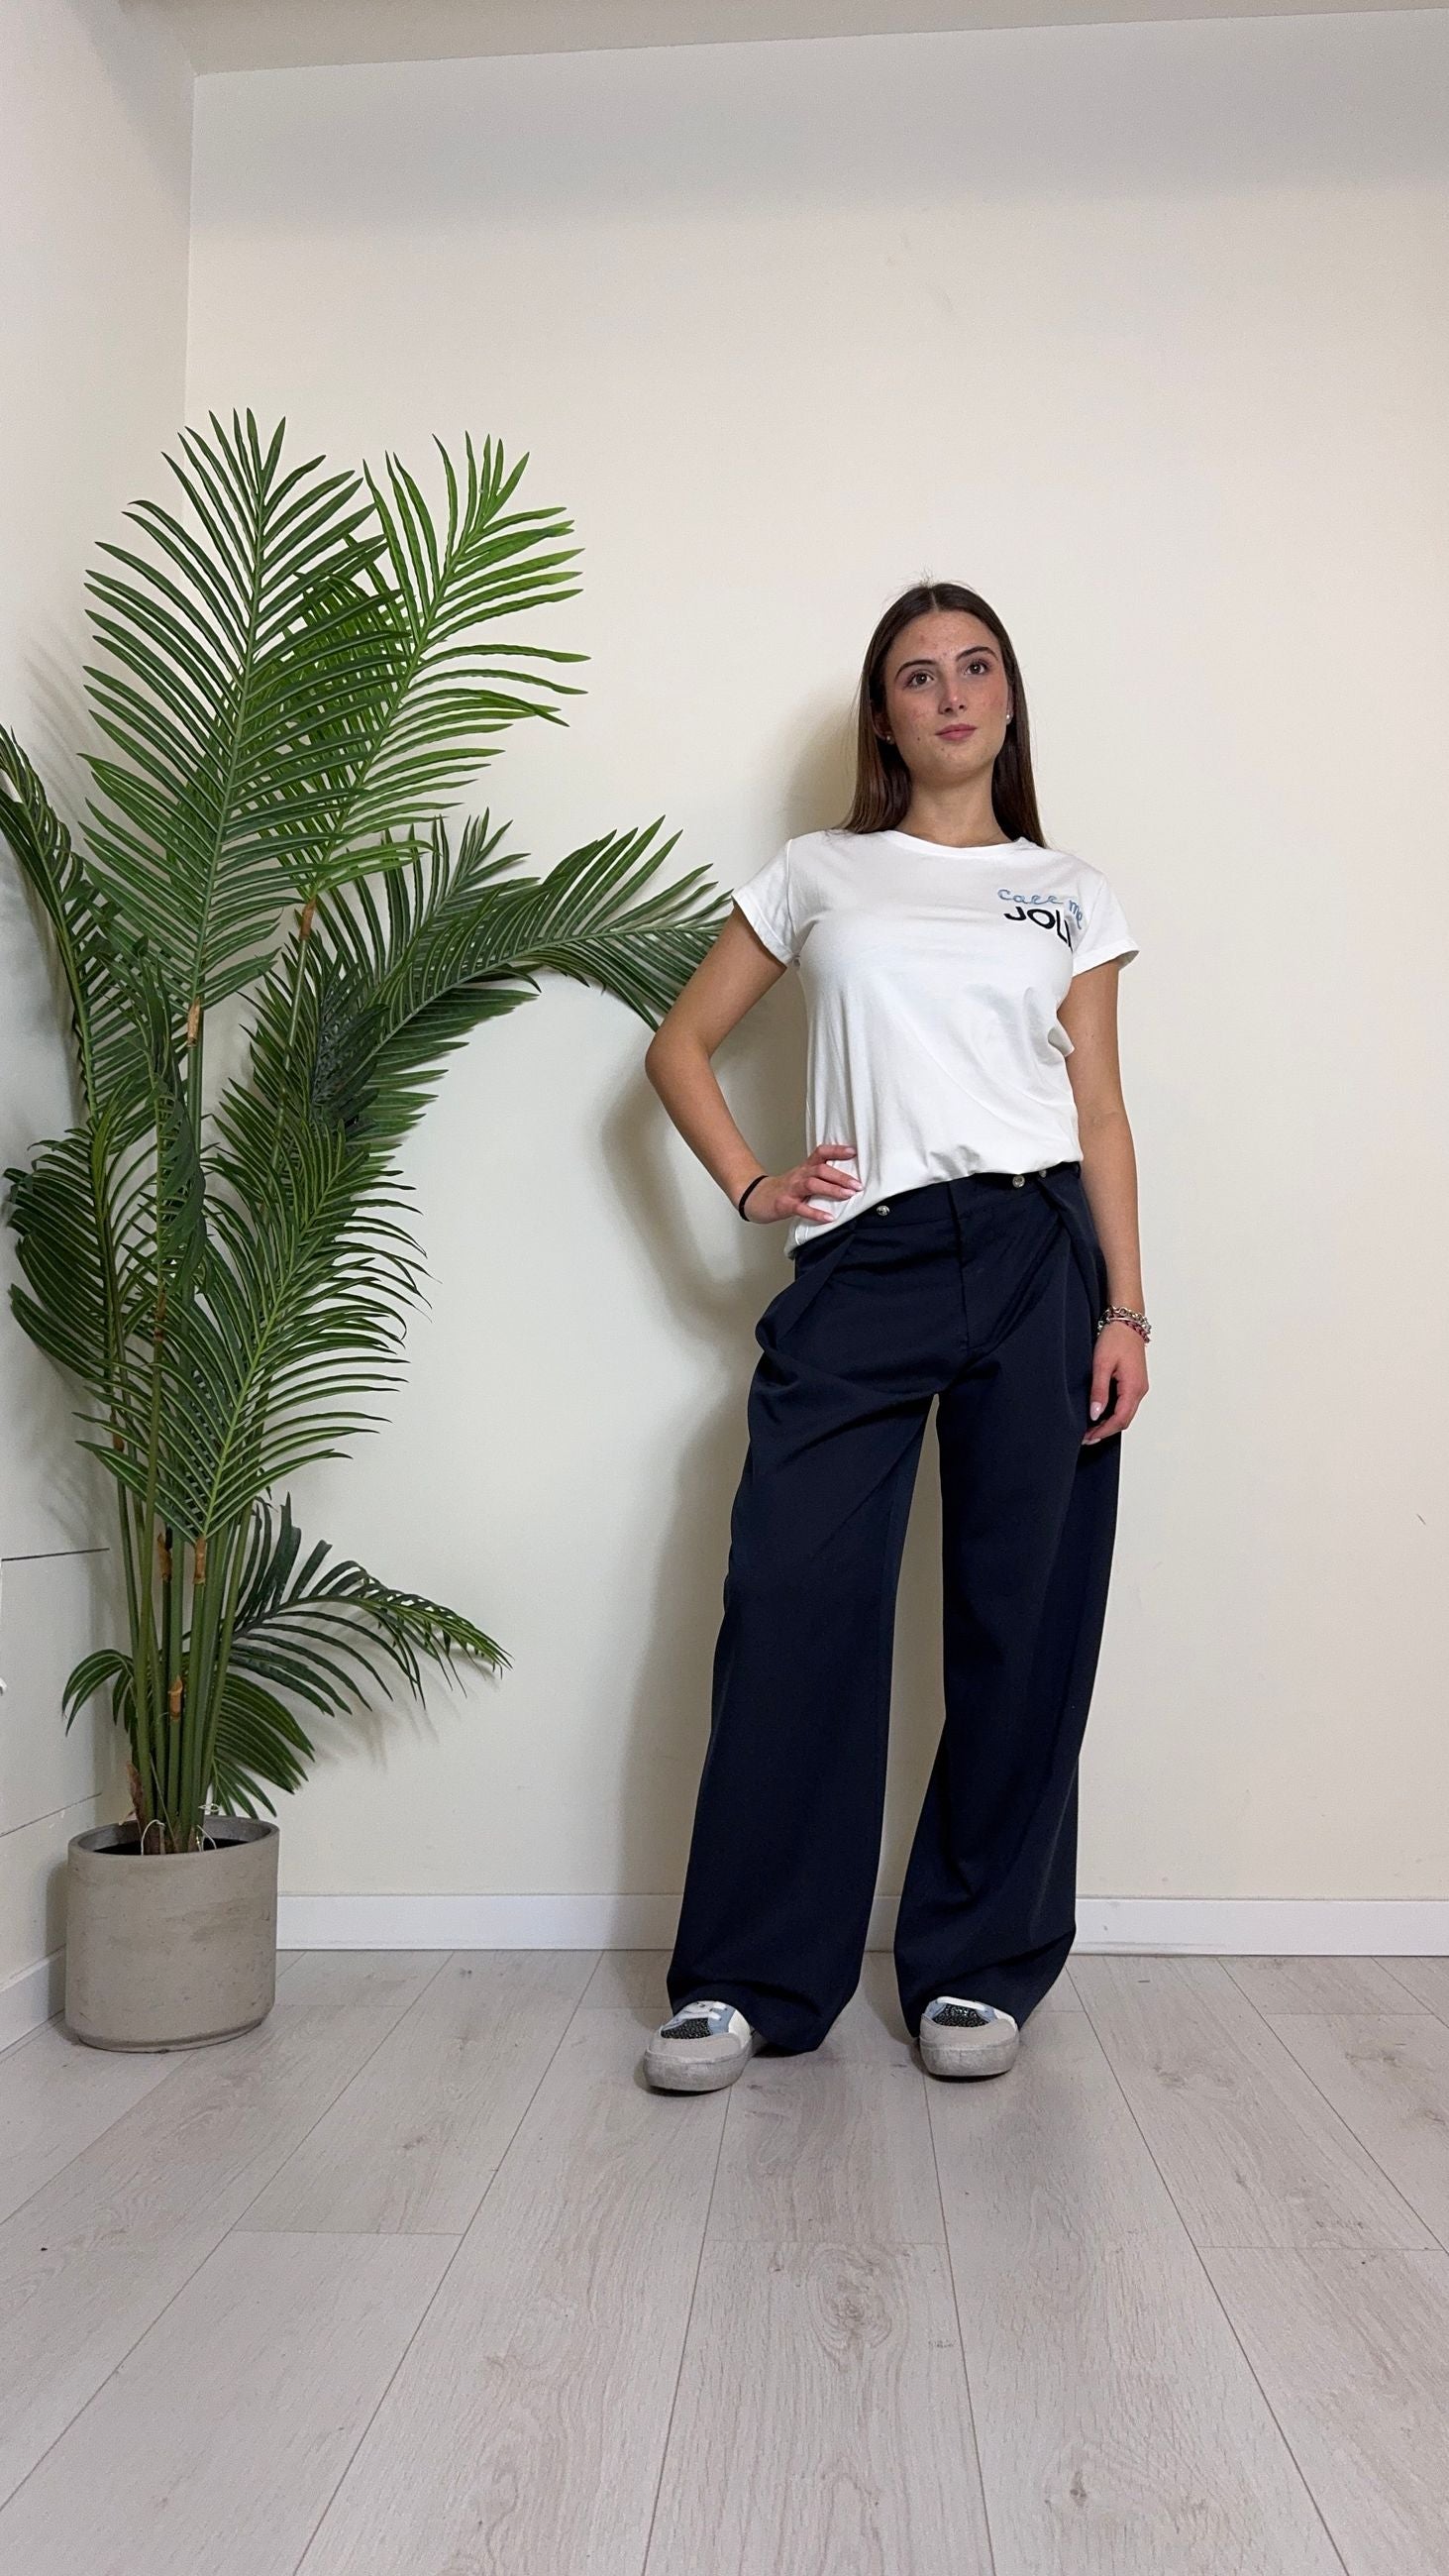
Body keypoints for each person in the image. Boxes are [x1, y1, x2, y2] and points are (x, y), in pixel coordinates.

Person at [640, 582, 1149, 2093]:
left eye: (975, 667)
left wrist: (1126, 1307)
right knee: (793, 1597)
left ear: (1009, 696)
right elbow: (678, 1046)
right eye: (918, 675)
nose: (952, 694)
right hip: (863, 1259)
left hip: (1040, 1251)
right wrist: (753, 1182)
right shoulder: (820, 872)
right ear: (883, 714)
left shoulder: (1069, 892)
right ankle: (746, 1979)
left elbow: (1101, 1111)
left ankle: (978, 1968)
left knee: (1022, 1616)